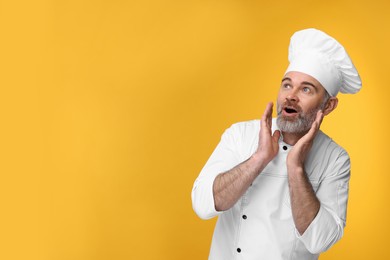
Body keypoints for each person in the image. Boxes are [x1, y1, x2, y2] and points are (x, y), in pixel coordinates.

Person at [191, 28, 362, 260]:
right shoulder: (241, 134)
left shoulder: (335, 159)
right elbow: (202, 205)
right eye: (287, 85)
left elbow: (320, 240)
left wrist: (296, 167)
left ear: (328, 106)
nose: (291, 96)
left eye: (305, 89)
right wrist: (259, 158)